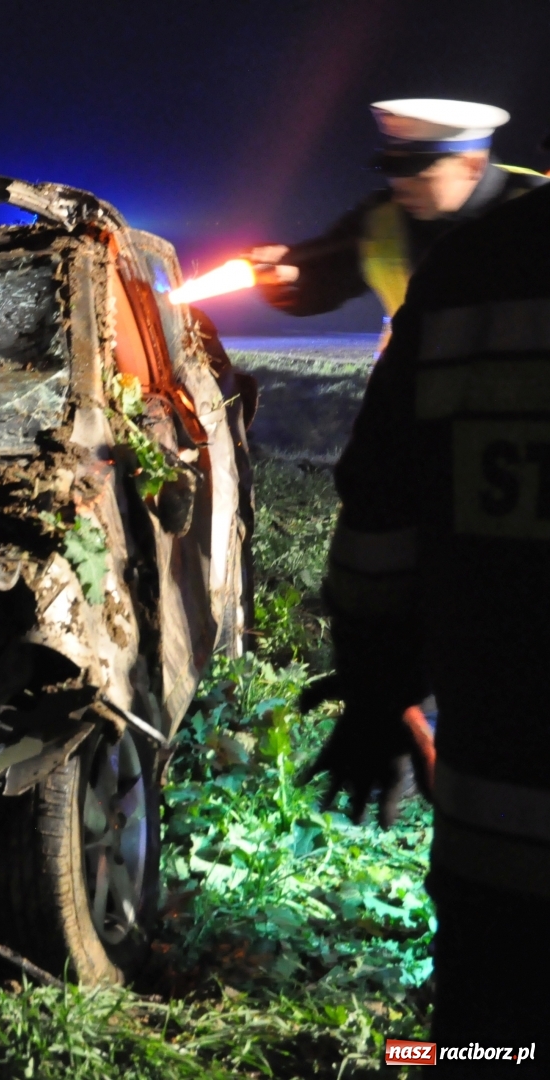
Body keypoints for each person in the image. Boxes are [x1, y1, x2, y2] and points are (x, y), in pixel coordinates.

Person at [305, 174, 550, 1058]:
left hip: (504, 841)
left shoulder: (474, 267)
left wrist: (379, 695)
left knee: (493, 1043)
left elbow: (379, 521)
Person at [247, 99, 545, 351]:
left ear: (472, 165)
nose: (400, 192)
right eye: (395, 175)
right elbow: (326, 278)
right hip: (414, 395)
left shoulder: (537, 208)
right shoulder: (381, 218)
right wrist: (289, 278)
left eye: (419, 177)